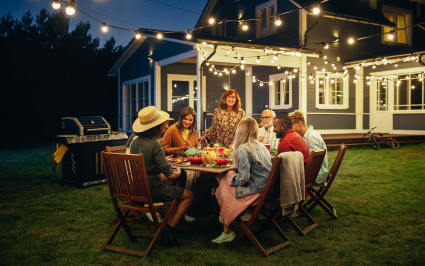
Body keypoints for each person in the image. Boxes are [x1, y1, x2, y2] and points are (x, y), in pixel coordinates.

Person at [127, 106, 194, 246]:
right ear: (155, 127)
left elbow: (148, 163)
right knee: (188, 194)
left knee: (171, 186)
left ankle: (170, 218)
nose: (166, 126)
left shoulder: (135, 142)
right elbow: (170, 174)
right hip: (150, 189)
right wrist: (178, 172)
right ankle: (169, 228)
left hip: (135, 188)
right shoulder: (155, 146)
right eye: (163, 124)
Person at [212, 117, 272, 244]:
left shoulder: (244, 148)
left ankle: (226, 228)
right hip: (266, 190)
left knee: (222, 182)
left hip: (255, 193)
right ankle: (225, 224)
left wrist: (231, 179)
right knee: (225, 179)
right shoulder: (262, 147)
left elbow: (243, 179)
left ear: (240, 132)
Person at [289, 110, 328, 184]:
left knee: (285, 176)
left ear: (299, 123)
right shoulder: (306, 136)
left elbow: (315, 162)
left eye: (291, 126)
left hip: (316, 176)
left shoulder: (312, 137)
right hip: (313, 173)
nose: (290, 129)